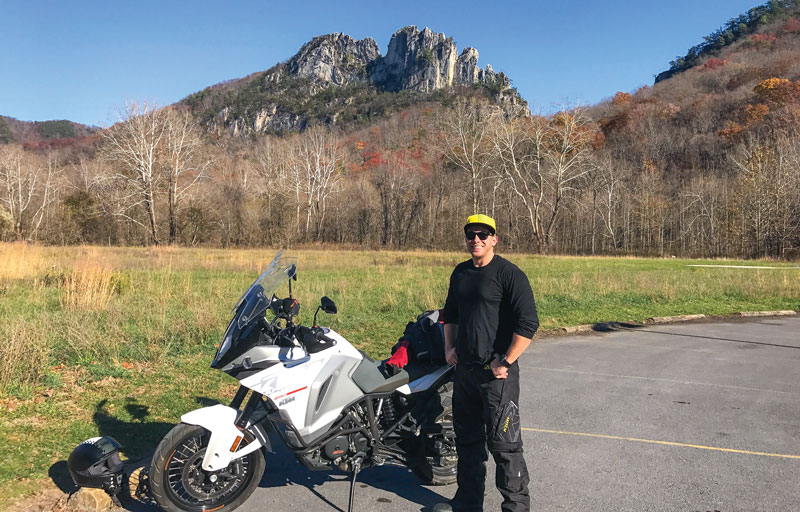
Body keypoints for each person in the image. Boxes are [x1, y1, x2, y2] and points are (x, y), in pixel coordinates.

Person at [434, 214, 539, 512]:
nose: (475, 240)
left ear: (494, 239)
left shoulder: (509, 274)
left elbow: (528, 322)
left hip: (497, 378)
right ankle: (467, 504)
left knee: (505, 447)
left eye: (483, 235)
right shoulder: (461, 273)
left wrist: (506, 360)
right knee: (467, 444)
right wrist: (449, 347)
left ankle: (516, 508)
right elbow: (450, 313)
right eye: (471, 235)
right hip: (465, 373)